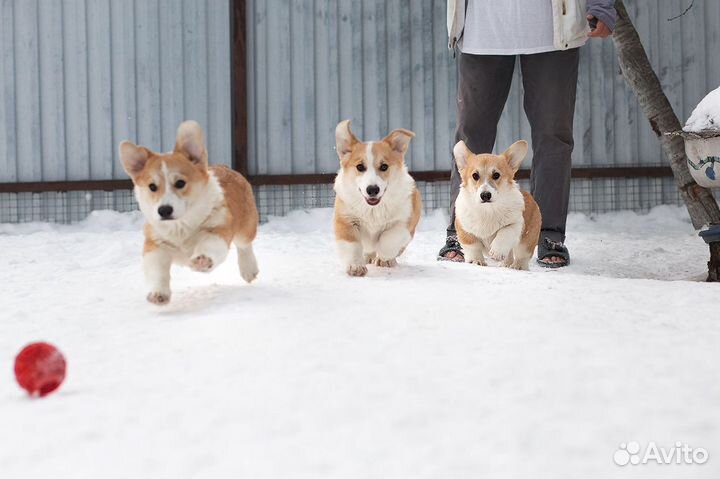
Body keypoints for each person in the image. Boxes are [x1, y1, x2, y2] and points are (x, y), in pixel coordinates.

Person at [439, 0, 617, 267]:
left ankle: (549, 234)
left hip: (554, 31)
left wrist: (601, 4)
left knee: (553, 136)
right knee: (471, 138)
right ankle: (462, 233)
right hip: (482, 30)